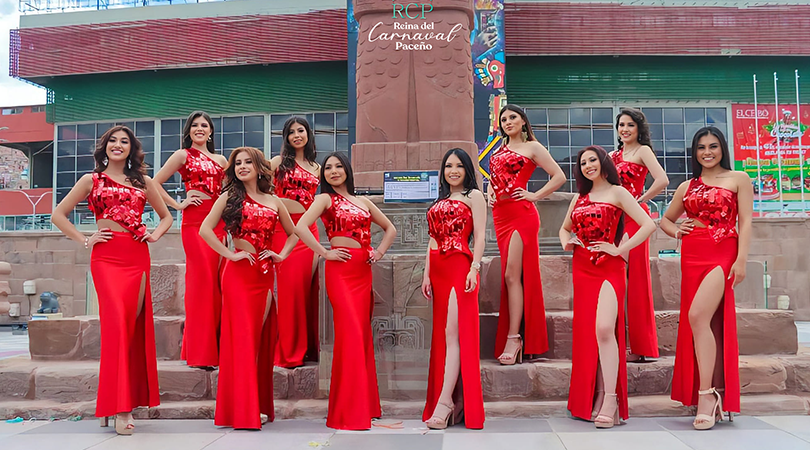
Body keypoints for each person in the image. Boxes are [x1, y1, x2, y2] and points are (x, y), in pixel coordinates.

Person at [51, 125, 173, 435]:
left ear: (132, 149)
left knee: (129, 332)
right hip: (106, 258)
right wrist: (85, 239)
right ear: (104, 147)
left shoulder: (143, 182)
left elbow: (166, 217)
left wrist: (153, 235)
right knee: (117, 327)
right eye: (113, 141)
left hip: (136, 257)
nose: (118, 145)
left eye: (125, 142)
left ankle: (117, 404)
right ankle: (119, 407)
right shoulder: (91, 180)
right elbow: (58, 215)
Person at [295, 152, 397, 430]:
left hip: (362, 273)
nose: (333, 171)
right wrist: (323, 253)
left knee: (361, 337)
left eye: (339, 166)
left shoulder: (363, 201)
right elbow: (301, 226)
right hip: (340, 272)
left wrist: (379, 252)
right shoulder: (324, 199)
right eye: (328, 168)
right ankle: (348, 411)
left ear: (347, 170)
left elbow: (390, 228)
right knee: (350, 335)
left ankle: (366, 406)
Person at [200, 146, 298, 430]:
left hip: (264, 277)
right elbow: (205, 230)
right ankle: (243, 412)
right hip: (238, 276)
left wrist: (280, 255)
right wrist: (229, 254)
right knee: (241, 343)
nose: (242, 166)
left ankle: (252, 406)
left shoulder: (274, 201)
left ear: (259, 167)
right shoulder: (228, 197)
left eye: (247, 162)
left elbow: (294, 234)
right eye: (238, 163)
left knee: (257, 343)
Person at [661, 127, 752, 430]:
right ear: (695, 152)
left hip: (722, 251)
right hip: (692, 254)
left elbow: (746, 221)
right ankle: (710, 390)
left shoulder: (739, 179)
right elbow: (665, 219)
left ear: (722, 148)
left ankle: (707, 395)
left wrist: (741, 260)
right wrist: (676, 232)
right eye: (701, 147)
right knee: (702, 322)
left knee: (697, 316)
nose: (707, 152)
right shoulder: (687, 185)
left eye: (713, 146)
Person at [559, 145, 655, 429]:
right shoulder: (579, 197)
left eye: (592, 160)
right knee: (589, 335)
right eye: (583, 162)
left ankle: (611, 399)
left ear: (603, 163)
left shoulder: (619, 192)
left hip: (610, 267)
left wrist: (619, 249)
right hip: (582, 267)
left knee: (604, 329)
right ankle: (595, 397)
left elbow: (648, 224)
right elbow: (565, 229)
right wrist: (568, 241)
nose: (588, 165)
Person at [487, 104, 566, 364]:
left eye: (513, 117)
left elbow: (559, 176)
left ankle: (515, 337)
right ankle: (515, 334)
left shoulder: (533, 147)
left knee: (512, 273)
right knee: (511, 276)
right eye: (504, 119)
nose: (507, 122)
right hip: (500, 216)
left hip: (522, 214)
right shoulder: (500, 150)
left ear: (523, 121)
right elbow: (496, 178)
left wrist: (534, 195)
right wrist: (489, 190)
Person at [153, 111, 227, 369]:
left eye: (204, 125)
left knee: (218, 286)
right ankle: (201, 353)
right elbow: (155, 183)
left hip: (218, 224)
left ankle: (214, 348)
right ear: (189, 130)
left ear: (210, 131)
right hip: (194, 223)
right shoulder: (183, 155)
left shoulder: (221, 160)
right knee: (202, 284)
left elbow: (232, 190)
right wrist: (178, 204)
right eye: (195, 125)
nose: (200, 129)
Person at [421, 148, 486, 430]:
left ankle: (446, 402)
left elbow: (481, 236)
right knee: (444, 335)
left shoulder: (474, 196)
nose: (454, 171)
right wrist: (426, 275)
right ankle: (448, 399)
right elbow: (432, 241)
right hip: (437, 270)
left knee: (454, 333)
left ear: (467, 170)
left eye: (459, 166)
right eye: (448, 166)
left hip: (461, 265)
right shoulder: (441, 200)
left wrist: (475, 268)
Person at [610, 107, 669, 363]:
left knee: (636, 279)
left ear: (638, 129)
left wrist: (640, 199)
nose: (624, 129)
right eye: (621, 125)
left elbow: (662, 180)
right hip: (614, 219)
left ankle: (640, 346)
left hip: (636, 218)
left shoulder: (643, 151)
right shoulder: (612, 155)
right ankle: (616, 341)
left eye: (630, 125)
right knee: (615, 279)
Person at [270, 117, 321, 368]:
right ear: (286, 138)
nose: (297, 135)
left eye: (301, 131)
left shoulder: (317, 167)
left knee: (304, 292)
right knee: (289, 293)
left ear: (308, 134)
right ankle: (288, 352)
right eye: (291, 132)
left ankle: (307, 350)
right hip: (283, 230)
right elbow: (256, 188)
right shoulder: (278, 163)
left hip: (309, 231)